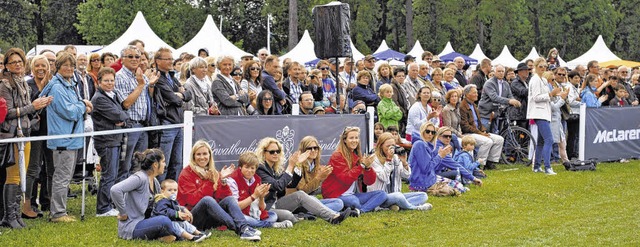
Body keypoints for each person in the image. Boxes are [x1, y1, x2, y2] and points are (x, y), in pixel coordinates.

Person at [0, 48, 53, 228]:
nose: (17, 65)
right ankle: (9, 216)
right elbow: (7, 113)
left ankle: (15, 215)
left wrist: (39, 106)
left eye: (20, 62)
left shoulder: (22, 81)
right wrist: (32, 107)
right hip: (13, 134)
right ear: (7, 65)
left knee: (22, 175)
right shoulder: (4, 85)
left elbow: (25, 110)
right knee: (14, 176)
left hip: (25, 133)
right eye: (13, 62)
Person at [39, 51, 89, 223]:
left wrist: (79, 105)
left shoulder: (69, 84)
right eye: (65, 65)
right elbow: (69, 112)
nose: (69, 68)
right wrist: (83, 105)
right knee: (61, 177)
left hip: (71, 138)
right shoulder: (58, 88)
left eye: (71, 65)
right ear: (58, 67)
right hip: (63, 140)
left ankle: (60, 210)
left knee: (64, 177)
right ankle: (58, 213)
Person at [177, 140, 261, 241]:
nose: (202, 157)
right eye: (198, 154)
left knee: (229, 199)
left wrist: (223, 181)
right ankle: (242, 229)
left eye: (205, 154)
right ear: (193, 156)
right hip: (192, 218)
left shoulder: (213, 172)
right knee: (207, 200)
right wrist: (210, 183)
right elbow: (192, 200)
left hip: (210, 219)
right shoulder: (186, 173)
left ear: (210, 155)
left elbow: (224, 197)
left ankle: (244, 228)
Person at [255, 137, 351, 224]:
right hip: (266, 206)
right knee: (289, 215)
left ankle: (333, 216)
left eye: (278, 151)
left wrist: (298, 165)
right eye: (272, 151)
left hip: (283, 202)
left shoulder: (275, 169)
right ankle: (305, 215)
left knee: (337, 202)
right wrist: (292, 165)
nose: (276, 153)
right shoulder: (261, 168)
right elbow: (280, 186)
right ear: (264, 153)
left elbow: (291, 185)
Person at [110, 149, 178, 242]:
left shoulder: (155, 182)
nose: (165, 165)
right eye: (163, 161)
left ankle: (168, 235)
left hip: (146, 222)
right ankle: (171, 235)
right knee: (164, 221)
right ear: (155, 164)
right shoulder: (139, 178)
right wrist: (123, 213)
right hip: (132, 226)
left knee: (171, 219)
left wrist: (181, 211)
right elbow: (115, 190)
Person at [114, 46, 157, 182]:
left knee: (139, 166)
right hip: (130, 126)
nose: (134, 59)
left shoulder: (141, 75)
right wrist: (140, 85)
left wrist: (150, 85)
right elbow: (126, 103)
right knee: (125, 166)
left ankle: (134, 199)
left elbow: (147, 99)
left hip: (143, 126)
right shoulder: (119, 77)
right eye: (130, 56)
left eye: (137, 57)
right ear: (122, 59)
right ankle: (120, 199)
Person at [321, 127, 387, 214]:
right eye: (351, 138)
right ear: (344, 140)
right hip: (336, 195)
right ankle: (364, 208)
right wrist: (362, 165)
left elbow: (369, 182)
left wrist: (368, 168)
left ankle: (360, 211)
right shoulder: (337, 155)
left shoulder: (357, 156)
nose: (354, 140)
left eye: (356, 138)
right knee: (354, 201)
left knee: (382, 194)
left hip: (352, 194)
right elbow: (346, 178)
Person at [91, 67, 130, 217]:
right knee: (108, 175)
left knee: (112, 174)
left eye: (112, 80)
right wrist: (121, 118)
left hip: (114, 140)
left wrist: (122, 118)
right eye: (106, 80)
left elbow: (121, 115)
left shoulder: (111, 95)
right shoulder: (99, 98)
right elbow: (118, 115)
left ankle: (108, 204)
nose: (109, 83)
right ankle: (103, 208)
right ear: (99, 82)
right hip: (106, 141)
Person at [154, 48, 192, 182]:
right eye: (167, 59)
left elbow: (188, 94)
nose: (171, 61)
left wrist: (180, 94)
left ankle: (173, 193)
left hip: (178, 123)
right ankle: (159, 196)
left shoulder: (172, 76)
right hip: (167, 123)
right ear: (158, 61)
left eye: (171, 58)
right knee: (163, 164)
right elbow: (173, 98)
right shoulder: (158, 78)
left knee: (177, 163)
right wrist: (179, 94)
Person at [227, 152, 293, 229]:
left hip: (254, 213)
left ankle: (258, 223)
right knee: (241, 218)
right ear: (240, 167)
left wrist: (261, 197)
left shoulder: (257, 179)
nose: (249, 171)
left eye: (252, 168)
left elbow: (262, 208)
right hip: (239, 214)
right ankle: (270, 225)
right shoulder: (232, 180)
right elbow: (235, 208)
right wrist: (254, 196)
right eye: (247, 167)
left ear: (255, 169)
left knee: (273, 215)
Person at [368, 133, 431, 211]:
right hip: (381, 196)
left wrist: (404, 162)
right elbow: (383, 177)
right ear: (381, 146)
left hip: (395, 193)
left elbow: (406, 176)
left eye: (393, 146)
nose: (391, 149)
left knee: (423, 195)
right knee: (398, 196)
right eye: (388, 146)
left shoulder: (395, 157)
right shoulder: (374, 159)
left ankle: (395, 206)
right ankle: (415, 207)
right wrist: (388, 160)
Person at [25, 55, 54, 217]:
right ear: (32, 68)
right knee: (33, 168)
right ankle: (29, 203)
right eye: (37, 66)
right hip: (34, 132)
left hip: (51, 132)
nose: (41, 69)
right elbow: (29, 108)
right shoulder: (27, 85)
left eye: (44, 66)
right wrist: (41, 91)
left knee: (51, 168)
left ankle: (47, 201)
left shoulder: (52, 84)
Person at [285, 136, 344, 212]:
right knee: (319, 201)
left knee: (338, 202)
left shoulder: (315, 164)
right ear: (303, 150)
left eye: (315, 148)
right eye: (309, 148)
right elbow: (303, 191)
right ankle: (316, 212)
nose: (313, 150)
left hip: (309, 200)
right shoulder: (298, 165)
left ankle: (313, 213)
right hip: (297, 203)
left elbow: (316, 187)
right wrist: (319, 178)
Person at [528, 57, 561, 175]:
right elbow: (536, 97)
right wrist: (550, 94)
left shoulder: (543, 80)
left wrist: (555, 94)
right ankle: (547, 167)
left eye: (544, 66)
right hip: (539, 112)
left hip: (544, 112)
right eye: (540, 66)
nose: (543, 68)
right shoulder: (536, 80)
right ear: (535, 67)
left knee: (541, 141)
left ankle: (537, 166)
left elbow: (546, 96)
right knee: (549, 139)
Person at [459, 85, 504, 170]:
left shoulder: (474, 105)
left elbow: (479, 122)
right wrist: (481, 133)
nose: (477, 94)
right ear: (467, 94)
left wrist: (483, 131)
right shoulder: (462, 106)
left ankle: (490, 163)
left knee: (499, 139)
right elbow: (465, 126)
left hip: (477, 131)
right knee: (487, 142)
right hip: (469, 133)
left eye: (476, 92)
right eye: (474, 92)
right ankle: (480, 164)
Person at [408, 122, 454, 194]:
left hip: (430, 180)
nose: (430, 134)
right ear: (422, 131)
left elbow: (433, 168)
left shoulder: (428, 145)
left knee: (458, 186)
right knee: (457, 188)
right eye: (427, 131)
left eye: (433, 132)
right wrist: (439, 156)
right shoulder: (420, 144)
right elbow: (426, 169)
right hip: (422, 184)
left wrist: (441, 156)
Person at [478, 65, 521, 133]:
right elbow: (494, 97)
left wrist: (515, 101)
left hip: (496, 113)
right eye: (499, 71)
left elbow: (510, 95)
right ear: (494, 72)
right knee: (485, 134)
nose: (501, 73)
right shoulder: (489, 83)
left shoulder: (506, 84)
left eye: (502, 71)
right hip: (486, 114)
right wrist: (509, 101)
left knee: (495, 135)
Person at [508, 63, 531, 129]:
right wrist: (534, 88)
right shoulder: (515, 82)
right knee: (519, 136)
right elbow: (523, 92)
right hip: (518, 114)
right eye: (525, 70)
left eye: (528, 70)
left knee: (524, 136)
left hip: (524, 113)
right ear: (519, 72)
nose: (527, 72)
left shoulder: (526, 82)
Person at [390, 68, 409, 135]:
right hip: (399, 115)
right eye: (399, 76)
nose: (401, 77)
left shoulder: (403, 86)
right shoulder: (393, 87)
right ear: (394, 77)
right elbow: (395, 102)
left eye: (403, 76)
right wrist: (403, 113)